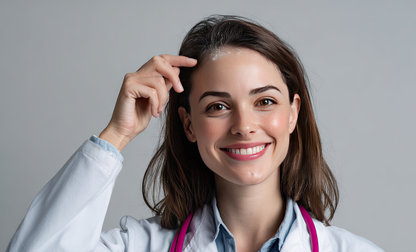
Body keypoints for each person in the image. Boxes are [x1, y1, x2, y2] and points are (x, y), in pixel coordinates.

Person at [7, 15, 383, 252]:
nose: (244, 125)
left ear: (292, 114)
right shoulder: (139, 246)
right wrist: (117, 134)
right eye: (218, 106)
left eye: (265, 102)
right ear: (189, 124)